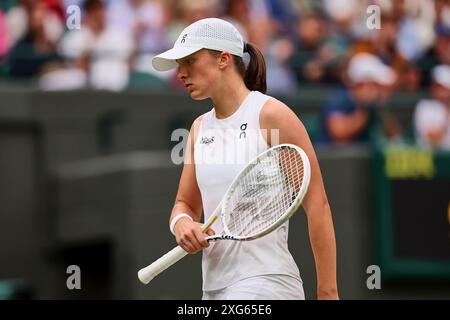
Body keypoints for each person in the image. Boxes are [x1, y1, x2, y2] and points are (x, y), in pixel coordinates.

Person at [152, 18, 338, 300]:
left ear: (223, 59)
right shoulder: (198, 128)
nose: (181, 73)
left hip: (268, 283)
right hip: (213, 288)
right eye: (180, 64)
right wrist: (182, 224)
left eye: (190, 61)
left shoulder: (273, 115)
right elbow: (185, 204)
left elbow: (317, 205)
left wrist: (328, 293)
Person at [414, 64, 450, 151]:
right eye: (436, 85)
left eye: (441, 86)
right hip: (432, 159)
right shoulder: (425, 106)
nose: (437, 89)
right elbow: (432, 139)